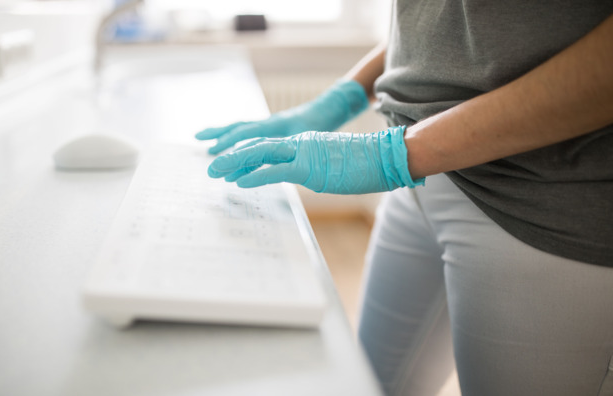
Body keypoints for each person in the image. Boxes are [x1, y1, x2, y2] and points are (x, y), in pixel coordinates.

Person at [196, 1, 613, 395]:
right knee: (370, 383)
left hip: (540, 208)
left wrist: (393, 155)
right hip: (418, 176)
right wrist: (341, 99)